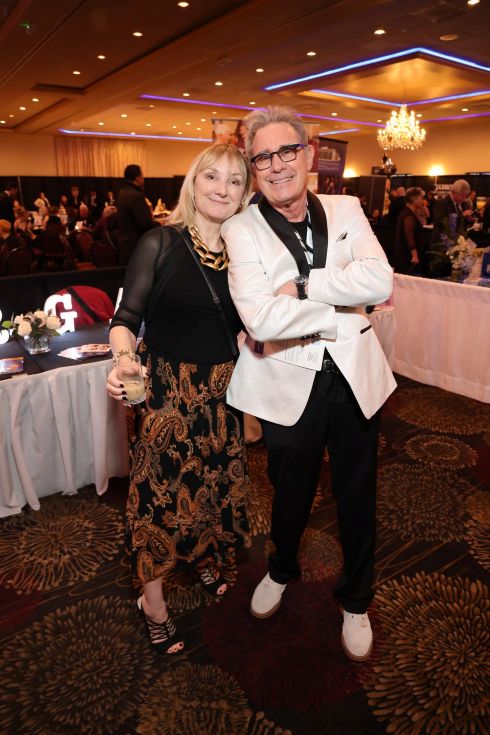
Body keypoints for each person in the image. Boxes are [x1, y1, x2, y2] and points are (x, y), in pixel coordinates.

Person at [221, 106, 396, 662]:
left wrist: (301, 285)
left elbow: (380, 279)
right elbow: (259, 318)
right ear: (253, 167)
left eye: (286, 151)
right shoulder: (239, 228)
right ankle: (281, 568)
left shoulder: (346, 207)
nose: (276, 165)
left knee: (357, 495)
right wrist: (339, 308)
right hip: (285, 383)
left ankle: (356, 599)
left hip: (354, 378)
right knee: (289, 492)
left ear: (308, 154)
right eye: (263, 157)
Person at [106, 143, 252, 656]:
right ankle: (153, 603)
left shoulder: (247, 254)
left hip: (223, 395)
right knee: (157, 500)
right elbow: (125, 320)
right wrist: (124, 363)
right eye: (212, 176)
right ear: (193, 182)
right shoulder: (160, 242)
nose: (222, 189)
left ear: (245, 194)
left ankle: (203, 556)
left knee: (210, 487)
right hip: (167, 395)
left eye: (235, 181)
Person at [116, 164, 159, 264]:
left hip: (125, 247)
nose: (143, 180)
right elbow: (145, 223)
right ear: (137, 178)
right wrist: (160, 225)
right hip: (136, 248)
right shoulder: (136, 196)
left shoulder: (122, 193)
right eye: (142, 177)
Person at [393, 187, 426, 274]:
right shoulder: (408, 215)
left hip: (404, 254)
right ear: (414, 199)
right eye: (421, 198)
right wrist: (414, 255)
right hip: (407, 256)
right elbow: (409, 234)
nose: (423, 201)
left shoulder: (407, 212)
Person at [432, 179, 471, 244]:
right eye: (462, 196)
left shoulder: (464, 204)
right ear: (453, 192)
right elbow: (442, 222)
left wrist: (469, 219)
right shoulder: (442, 203)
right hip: (443, 241)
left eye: (465, 196)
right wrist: (462, 215)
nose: (464, 199)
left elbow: (463, 224)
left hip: (459, 240)